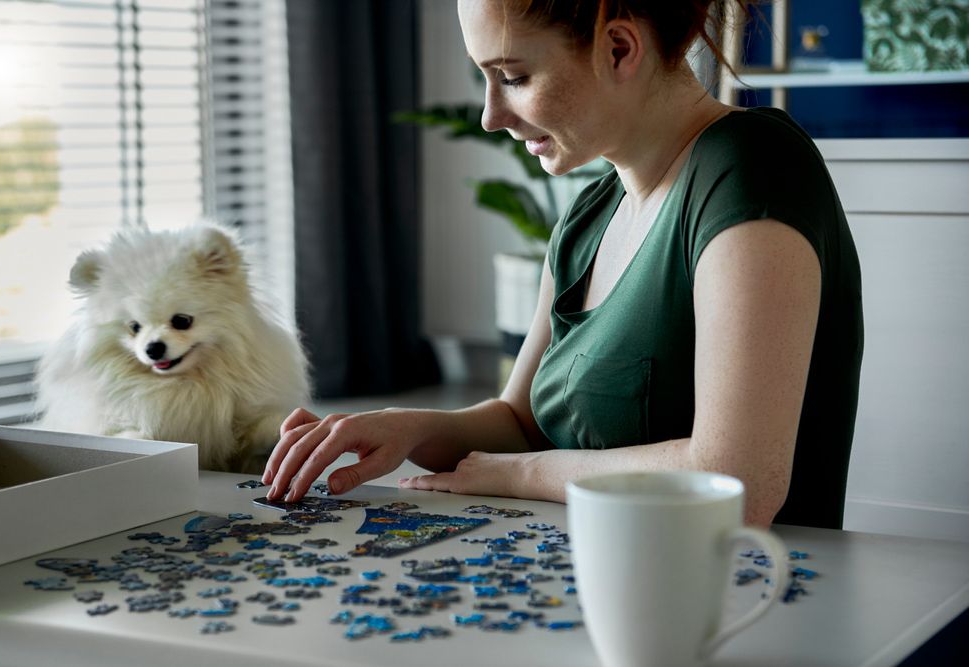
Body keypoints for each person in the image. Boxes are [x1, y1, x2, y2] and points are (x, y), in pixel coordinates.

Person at [262, 0, 863, 529]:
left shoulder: (753, 170)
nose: (490, 116)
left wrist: (524, 475)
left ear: (619, 48)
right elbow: (520, 423)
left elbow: (739, 484)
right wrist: (404, 427)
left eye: (514, 77)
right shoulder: (588, 216)